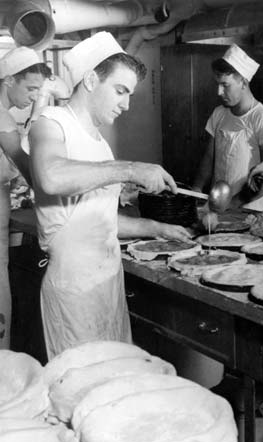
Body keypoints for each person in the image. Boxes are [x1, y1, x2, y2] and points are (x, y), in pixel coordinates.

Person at [29, 31, 192, 359]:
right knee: (81, 388)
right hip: (74, 289)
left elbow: (98, 221)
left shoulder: (100, 143)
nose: (126, 104)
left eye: (129, 94)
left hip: (108, 283)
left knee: (115, 380)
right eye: (120, 91)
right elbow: (50, 177)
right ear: (90, 80)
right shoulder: (51, 123)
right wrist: (130, 169)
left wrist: (155, 229)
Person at [0, 46, 52, 349]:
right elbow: (28, 168)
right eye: (30, 88)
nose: (34, 96)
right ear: (8, 81)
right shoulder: (2, 117)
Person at [192, 44, 263, 211]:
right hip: (219, 207)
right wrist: (197, 188)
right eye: (217, 84)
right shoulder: (218, 114)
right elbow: (208, 159)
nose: (219, 92)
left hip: (251, 211)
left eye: (225, 85)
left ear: (243, 82)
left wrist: (233, 204)